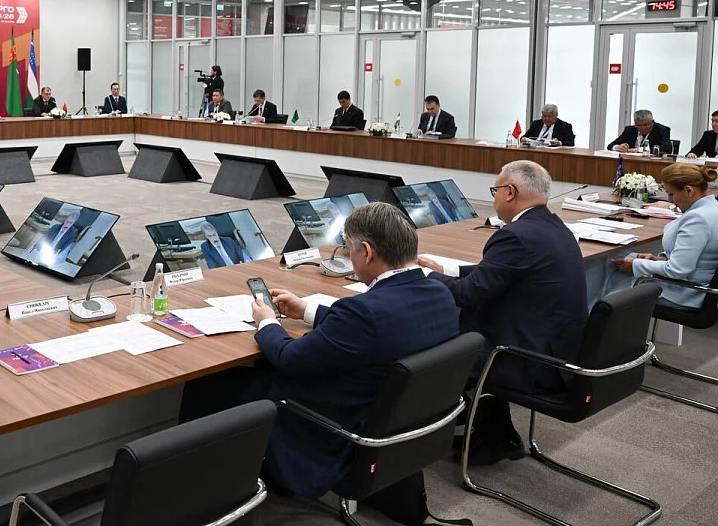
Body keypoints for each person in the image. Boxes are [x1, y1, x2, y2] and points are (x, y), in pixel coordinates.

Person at [180, 203, 461, 524]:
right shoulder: (439, 294)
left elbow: (289, 357)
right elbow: (380, 328)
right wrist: (307, 310)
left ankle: (204, 499)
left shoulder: (363, 313)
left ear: (367, 252)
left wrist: (266, 321)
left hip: (332, 427)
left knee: (208, 385)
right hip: (398, 427)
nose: (349, 256)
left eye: (349, 249)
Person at [416, 160, 586, 466]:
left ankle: (430, 429)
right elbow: (498, 271)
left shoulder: (516, 235)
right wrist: (446, 269)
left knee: (440, 348)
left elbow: (468, 294)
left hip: (528, 361)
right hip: (559, 352)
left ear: (510, 192)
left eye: (495, 191)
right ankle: (493, 430)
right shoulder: (553, 226)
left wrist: (423, 276)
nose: (494, 198)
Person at [606, 163, 718, 309]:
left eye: (671, 194)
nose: (670, 200)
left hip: (685, 293)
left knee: (610, 285)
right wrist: (661, 259)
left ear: (689, 190)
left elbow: (677, 270)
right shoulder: (712, 208)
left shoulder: (697, 219)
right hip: (696, 289)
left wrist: (635, 265)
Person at [608, 109, 672, 154]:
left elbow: (667, 149)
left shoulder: (662, 130)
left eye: (646, 125)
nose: (642, 128)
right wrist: (617, 147)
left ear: (652, 122)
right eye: (638, 125)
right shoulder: (629, 130)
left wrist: (639, 150)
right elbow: (610, 145)